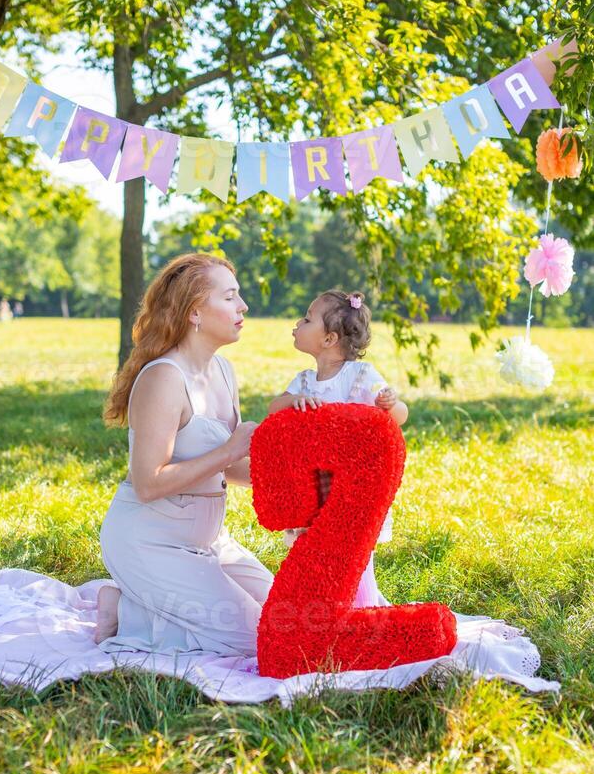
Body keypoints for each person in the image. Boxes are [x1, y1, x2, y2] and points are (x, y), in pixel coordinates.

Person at [94, 253, 274, 655]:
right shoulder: (163, 378)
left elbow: (230, 469)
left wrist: (302, 481)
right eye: (230, 297)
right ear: (195, 312)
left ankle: (141, 603)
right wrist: (229, 448)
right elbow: (147, 483)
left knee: (289, 615)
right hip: (150, 539)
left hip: (211, 540)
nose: (243, 306)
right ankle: (125, 609)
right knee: (260, 640)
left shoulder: (223, 370)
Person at [267, 289, 408, 608]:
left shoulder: (360, 376)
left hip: (351, 491)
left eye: (306, 319)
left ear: (329, 339)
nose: (297, 323)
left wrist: (391, 404)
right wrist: (293, 402)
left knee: (353, 560)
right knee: (313, 556)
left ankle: (362, 615)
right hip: (313, 488)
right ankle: (322, 616)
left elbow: (398, 419)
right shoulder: (303, 382)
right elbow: (274, 409)